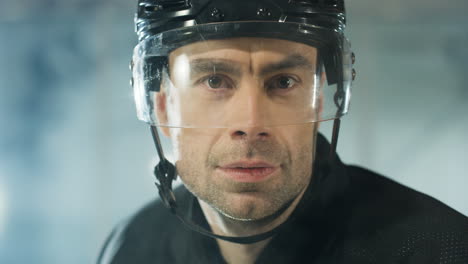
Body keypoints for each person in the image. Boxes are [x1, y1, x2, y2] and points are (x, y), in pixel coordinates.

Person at [97, 0, 468, 263]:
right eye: (214, 80)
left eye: (284, 81)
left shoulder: (439, 249)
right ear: (161, 108)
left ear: (319, 101)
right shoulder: (135, 244)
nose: (252, 123)